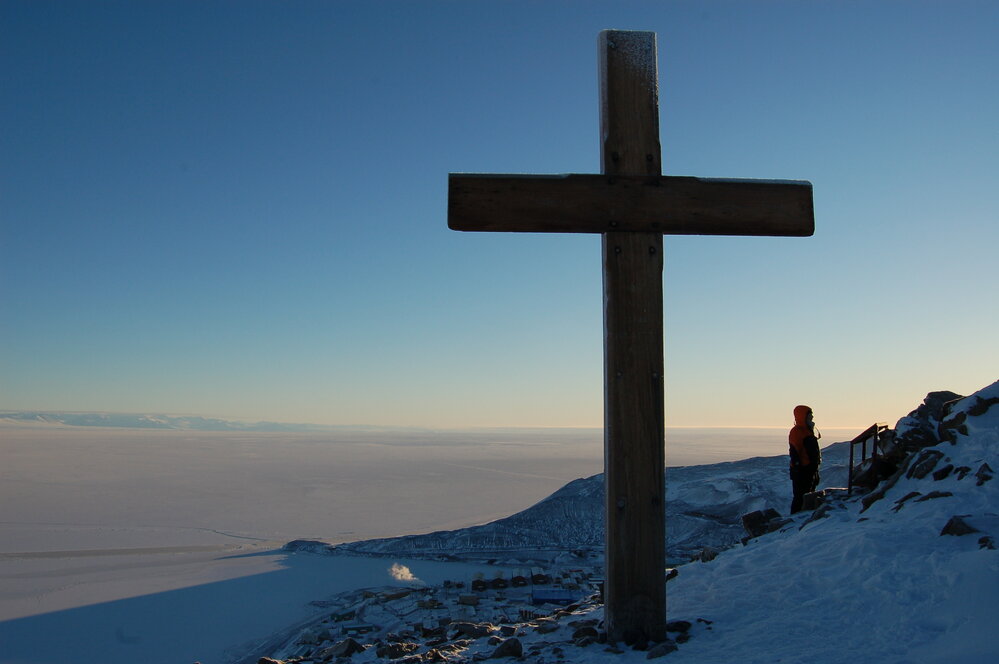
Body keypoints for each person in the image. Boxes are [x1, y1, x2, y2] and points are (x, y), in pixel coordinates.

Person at [789, 404, 821, 514]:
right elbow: (794, 451)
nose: (812, 418)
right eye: (809, 416)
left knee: (808, 494)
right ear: (803, 417)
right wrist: (798, 468)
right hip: (802, 470)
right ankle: (795, 518)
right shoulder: (797, 431)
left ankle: (804, 516)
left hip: (810, 469)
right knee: (800, 496)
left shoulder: (808, 430)